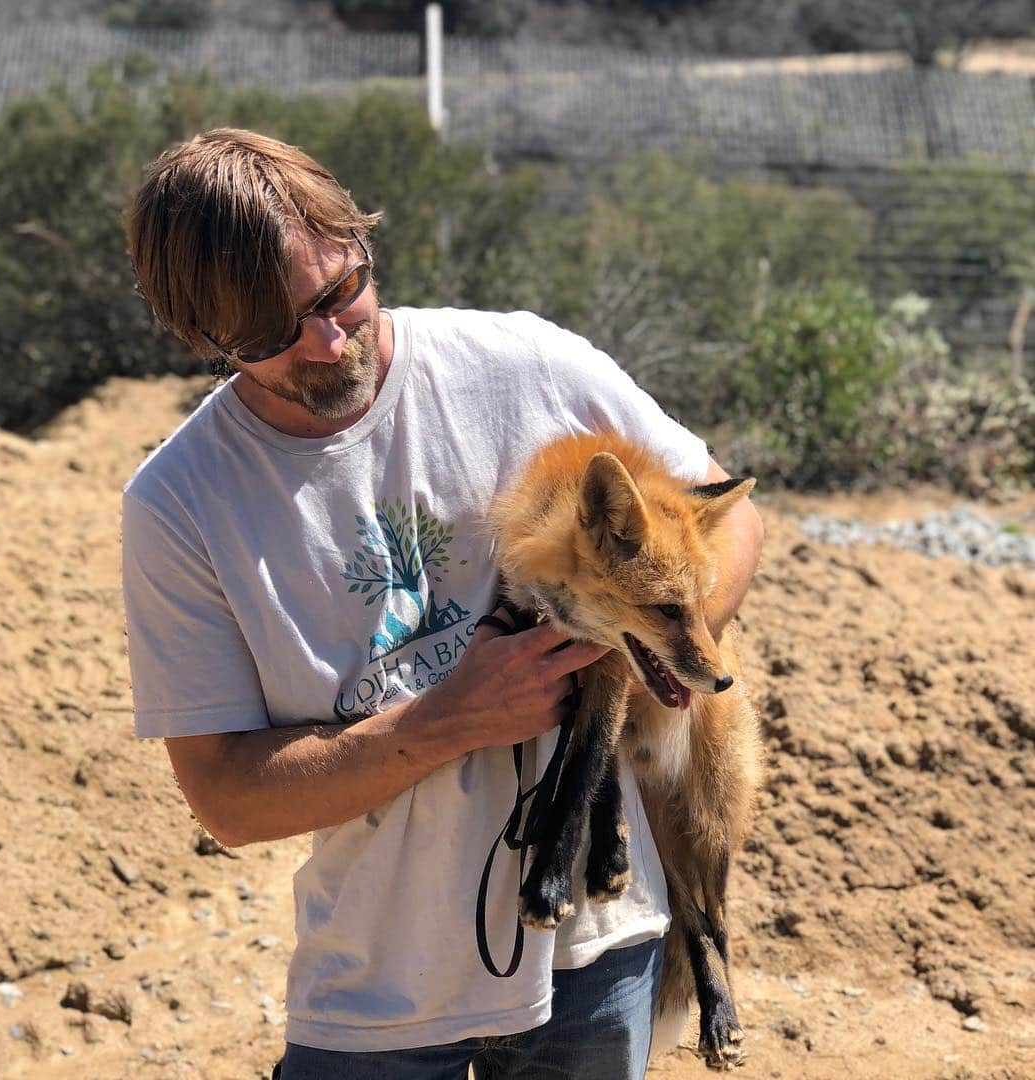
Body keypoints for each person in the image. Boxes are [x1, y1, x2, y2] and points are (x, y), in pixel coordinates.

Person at [122, 128, 764, 1080]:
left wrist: (615, 649)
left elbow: (726, 518)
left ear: (357, 240)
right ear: (201, 337)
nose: (328, 339)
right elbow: (227, 799)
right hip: (377, 994)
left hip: (591, 962)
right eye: (270, 334)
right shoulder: (179, 505)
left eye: (339, 291)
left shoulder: (526, 366)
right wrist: (446, 721)